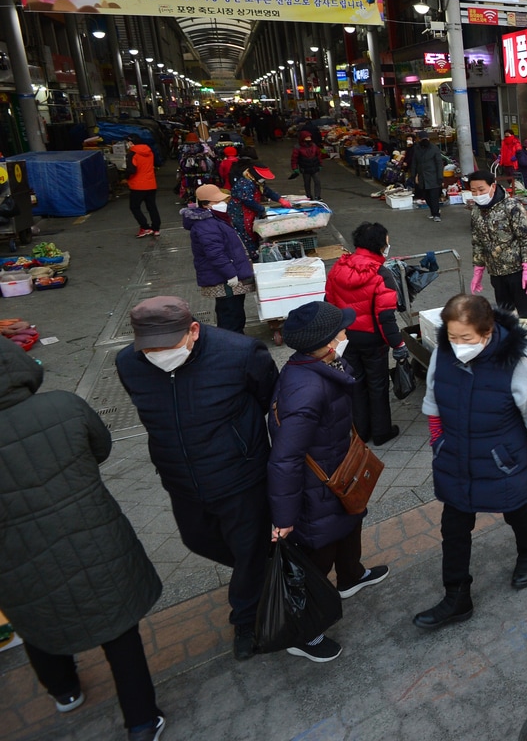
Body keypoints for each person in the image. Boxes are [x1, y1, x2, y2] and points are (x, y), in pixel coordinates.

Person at [0, 344, 167, 741]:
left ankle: (65, 692)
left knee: (39, 623)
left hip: (17, 556)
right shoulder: (64, 406)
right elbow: (101, 449)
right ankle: (142, 721)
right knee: (119, 628)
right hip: (94, 539)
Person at [115, 296, 278, 661]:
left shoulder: (241, 352)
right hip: (180, 479)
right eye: (150, 349)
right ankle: (263, 569)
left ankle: (247, 619)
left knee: (248, 548)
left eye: (167, 346)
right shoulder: (128, 363)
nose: (158, 354)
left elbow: (269, 398)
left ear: (193, 330)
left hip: (240, 476)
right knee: (198, 539)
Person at [414, 294, 527, 629]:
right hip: (455, 458)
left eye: (466, 338)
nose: (458, 345)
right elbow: (433, 401)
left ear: (487, 331)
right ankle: (457, 596)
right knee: (454, 527)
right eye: (452, 337)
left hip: (500, 459)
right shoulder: (443, 356)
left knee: (515, 507)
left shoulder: (514, 363)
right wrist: (438, 443)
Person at [268, 302, 393, 662]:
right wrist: (285, 517)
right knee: (317, 559)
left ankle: (351, 576)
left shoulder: (323, 366)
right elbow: (285, 458)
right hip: (315, 490)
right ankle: (302, 634)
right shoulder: (306, 390)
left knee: (350, 523)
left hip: (338, 476)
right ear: (323, 342)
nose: (345, 334)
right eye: (339, 331)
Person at [325, 222, 409, 447]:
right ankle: (381, 431)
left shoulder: (338, 268)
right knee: (378, 384)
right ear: (381, 245)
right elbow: (386, 317)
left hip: (346, 337)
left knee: (355, 383)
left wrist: (334, 337)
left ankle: (360, 431)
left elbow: (329, 305)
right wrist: (398, 344)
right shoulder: (381, 274)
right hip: (373, 340)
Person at [183, 184, 256, 335]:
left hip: (226, 275)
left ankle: (235, 340)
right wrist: (230, 273)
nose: (223, 204)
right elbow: (215, 253)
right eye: (217, 201)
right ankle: (233, 344)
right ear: (206, 204)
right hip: (224, 279)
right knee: (230, 314)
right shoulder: (206, 225)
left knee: (232, 311)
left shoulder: (213, 219)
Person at [466, 169, 527, 320]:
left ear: (493, 186)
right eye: (474, 191)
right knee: (505, 315)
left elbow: (526, 239)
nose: (478, 195)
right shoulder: (476, 212)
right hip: (496, 274)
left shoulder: (512, 206)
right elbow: (477, 242)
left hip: (517, 271)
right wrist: (478, 271)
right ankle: (510, 343)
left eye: (481, 190)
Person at [227, 160, 285, 258]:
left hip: (250, 212)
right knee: (246, 235)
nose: (263, 180)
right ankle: (253, 257)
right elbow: (248, 201)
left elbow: (266, 190)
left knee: (253, 233)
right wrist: (263, 209)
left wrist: (280, 199)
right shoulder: (245, 184)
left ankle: (256, 253)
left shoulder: (256, 181)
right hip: (240, 213)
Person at [126, 137, 161, 239]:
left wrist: (126, 177)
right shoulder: (149, 152)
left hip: (138, 185)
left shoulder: (132, 154)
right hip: (151, 184)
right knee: (152, 207)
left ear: (131, 143)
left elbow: (131, 170)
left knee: (134, 207)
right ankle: (156, 229)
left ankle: (145, 227)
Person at [409, 137, 447, 222]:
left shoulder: (434, 148)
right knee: (426, 196)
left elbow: (439, 163)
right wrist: (413, 175)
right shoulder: (417, 149)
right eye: (422, 138)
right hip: (422, 177)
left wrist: (440, 177)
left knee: (434, 197)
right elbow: (414, 163)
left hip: (433, 176)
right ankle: (433, 212)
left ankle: (436, 214)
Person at [291, 131, 325, 200]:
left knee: (317, 181)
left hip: (314, 166)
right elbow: (294, 159)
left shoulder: (314, 145)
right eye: (307, 137)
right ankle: (309, 195)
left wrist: (320, 164)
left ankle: (317, 196)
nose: (309, 138)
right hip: (305, 168)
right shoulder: (298, 147)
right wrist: (295, 168)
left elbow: (318, 155)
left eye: (309, 137)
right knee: (307, 183)